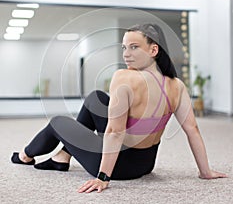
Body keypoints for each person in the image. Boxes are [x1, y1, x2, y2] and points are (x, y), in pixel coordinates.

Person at [11, 24, 227, 193]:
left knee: (58, 122)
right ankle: (62, 158)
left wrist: (103, 176)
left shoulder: (124, 78)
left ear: (153, 50)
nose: (126, 53)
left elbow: (115, 132)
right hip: (145, 164)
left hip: (119, 167)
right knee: (96, 98)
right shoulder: (176, 85)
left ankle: (25, 156)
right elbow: (192, 130)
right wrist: (205, 171)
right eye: (124, 47)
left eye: (134, 47)